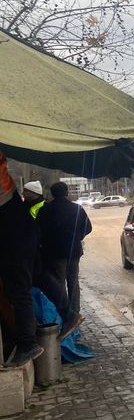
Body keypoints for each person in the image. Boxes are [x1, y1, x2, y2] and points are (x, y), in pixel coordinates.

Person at [0, 151, 42, 367]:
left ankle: (28, 342)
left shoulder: (8, 206)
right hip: (22, 242)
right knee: (16, 292)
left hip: (16, 245)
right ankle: (25, 340)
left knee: (19, 293)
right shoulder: (13, 203)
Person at [37, 182, 91, 339]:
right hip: (73, 252)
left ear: (52, 193)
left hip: (54, 252)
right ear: (67, 192)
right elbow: (87, 228)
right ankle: (75, 311)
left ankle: (66, 314)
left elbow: (38, 230)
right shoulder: (77, 209)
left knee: (58, 282)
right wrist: (76, 238)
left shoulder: (45, 210)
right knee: (73, 282)